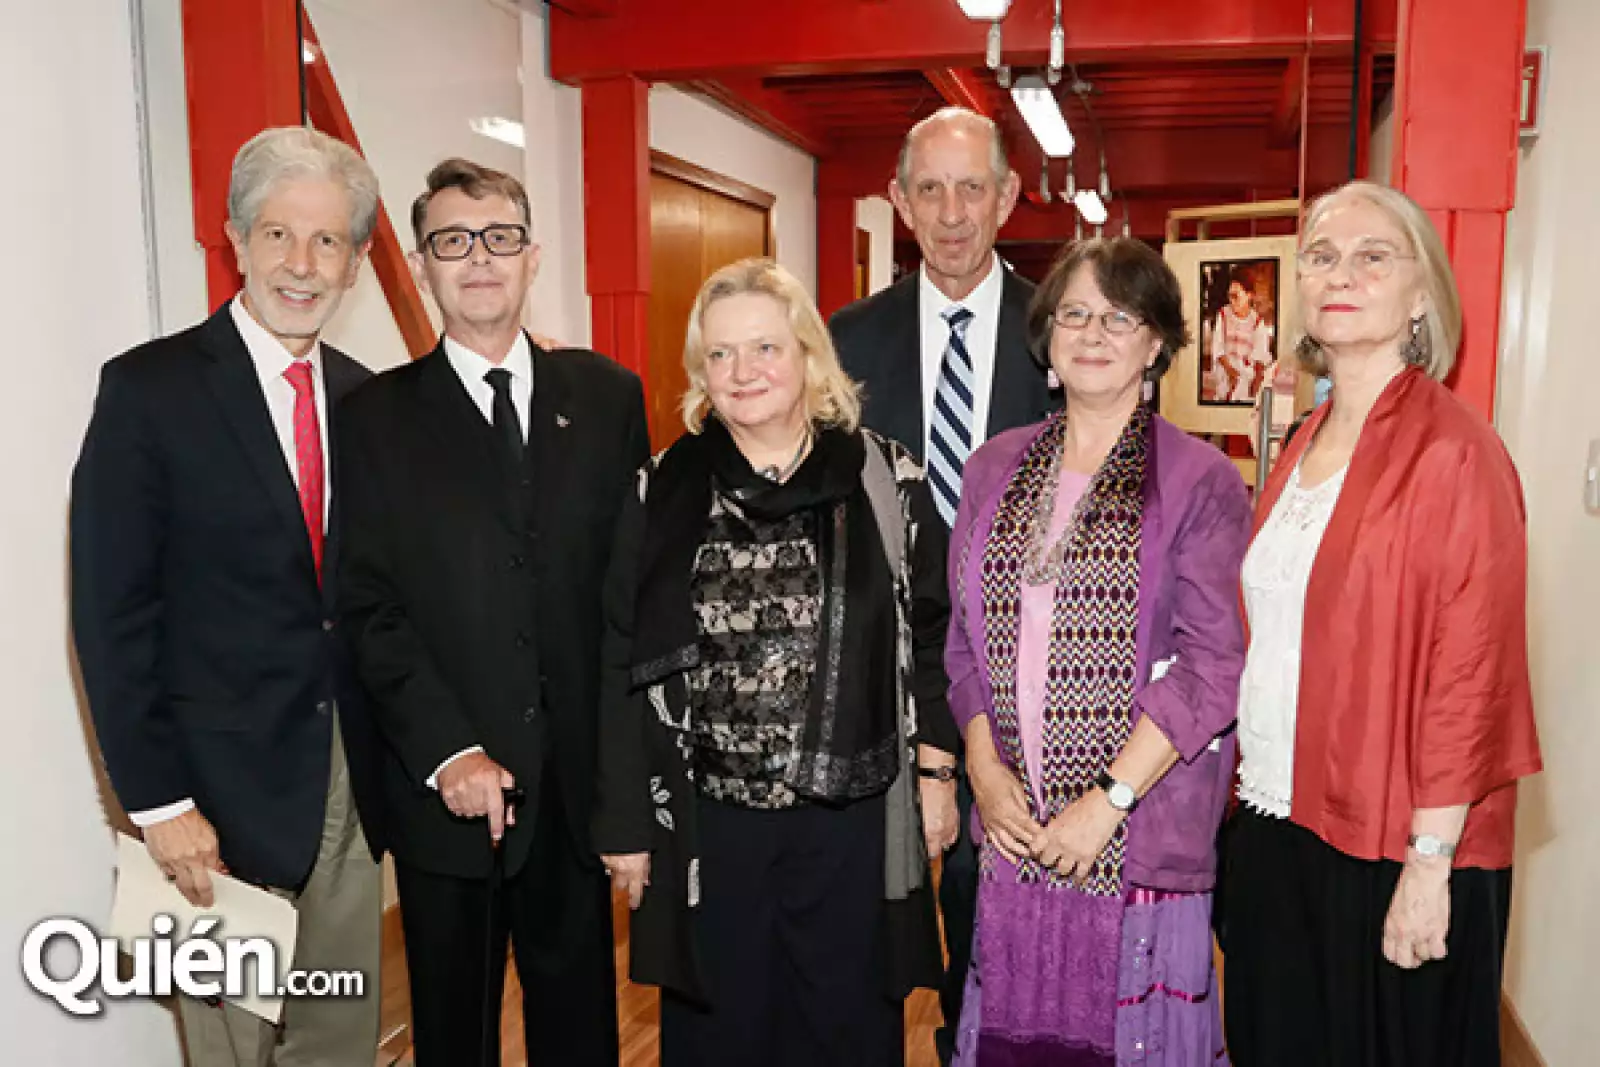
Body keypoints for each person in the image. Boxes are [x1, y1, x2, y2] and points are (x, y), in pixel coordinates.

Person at [593, 258, 960, 1066]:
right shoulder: (662, 486)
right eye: (719, 355)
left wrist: (937, 774)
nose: (742, 371)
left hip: (849, 819)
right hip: (708, 824)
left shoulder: (884, 477)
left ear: (807, 357)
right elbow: (621, 654)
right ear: (701, 373)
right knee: (721, 1031)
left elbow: (933, 633)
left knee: (844, 1025)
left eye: (764, 347)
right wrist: (623, 821)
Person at [71, 126, 386, 1065]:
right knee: (235, 1050)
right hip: (212, 802)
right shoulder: (148, 391)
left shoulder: (369, 401)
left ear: (358, 260)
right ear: (236, 240)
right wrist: (159, 804)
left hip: (348, 795)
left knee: (336, 1040)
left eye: (328, 240)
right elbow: (110, 612)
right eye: (278, 234)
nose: (302, 263)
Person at [1222, 180, 1543, 1067]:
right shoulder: (1304, 441)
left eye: (1373, 256)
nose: (1342, 273)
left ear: (1420, 296)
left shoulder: (1456, 451)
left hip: (1395, 842)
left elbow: (1471, 675)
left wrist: (1429, 866)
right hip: (1281, 819)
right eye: (1321, 256)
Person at [336, 158, 647, 1066]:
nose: (480, 259)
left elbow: (627, 602)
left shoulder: (607, 398)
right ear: (426, 265)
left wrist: (628, 794)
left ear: (533, 256)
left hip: (572, 798)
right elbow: (368, 606)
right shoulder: (373, 420)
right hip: (446, 802)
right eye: (453, 242)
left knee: (581, 1034)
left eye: (500, 238)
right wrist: (448, 750)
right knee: (455, 1040)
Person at [945, 237, 1250, 1065]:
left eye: (1120, 316)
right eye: (1074, 313)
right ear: (1046, 339)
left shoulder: (1199, 480)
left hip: (1137, 833)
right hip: (1016, 826)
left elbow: (1211, 665)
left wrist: (1105, 801)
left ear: (1155, 344)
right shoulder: (992, 470)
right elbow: (963, 643)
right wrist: (982, 768)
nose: (1092, 332)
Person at [828, 105, 1057, 1063]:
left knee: (988, 898)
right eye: (931, 188)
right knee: (872, 911)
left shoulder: (1068, 332)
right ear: (900, 201)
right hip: (880, 675)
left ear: (1007, 197)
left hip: (1025, 679)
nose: (953, 212)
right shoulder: (842, 343)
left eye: (974, 187)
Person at [1208, 271, 1272, 403]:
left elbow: (1260, 356)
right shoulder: (1224, 315)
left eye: (1236, 296)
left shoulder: (1257, 322)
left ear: (1249, 295)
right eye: (1230, 296)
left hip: (1245, 380)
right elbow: (1218, 347)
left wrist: (1255, 385)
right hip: (1225, 376)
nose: (1232, 301)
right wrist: (1230, 371)